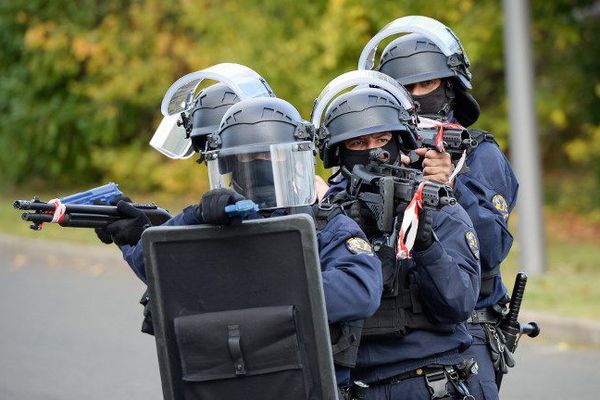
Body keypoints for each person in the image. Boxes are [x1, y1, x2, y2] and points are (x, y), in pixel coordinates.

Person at [96, 96, 383, 391]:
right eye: (249, 155)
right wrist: (186, 221)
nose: (261, 162)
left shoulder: (325, 224)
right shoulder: (210, 221)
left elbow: (360, 291)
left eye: (272, 154)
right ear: (230, 161)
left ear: (295, 157)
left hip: (305, 386)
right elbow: (157, 270)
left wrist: (245, 287)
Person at [371, 16, 520, 398]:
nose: (417, 95)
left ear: (450, 88)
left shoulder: (480, 154)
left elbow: (491, 249)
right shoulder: (380, 151)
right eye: (405, 88)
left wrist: (449, 184)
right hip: (393, 338)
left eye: (427, 83)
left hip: (467, 333)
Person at [316, 83, 481, 399]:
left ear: (400, 142)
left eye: (382, 140)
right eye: (358, 142)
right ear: (339, 152)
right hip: (355, 385)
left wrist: (424, 242)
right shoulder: (327, 218)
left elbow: (458, 304)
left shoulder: (436, 205)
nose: (374, 151)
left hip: (431, 382)